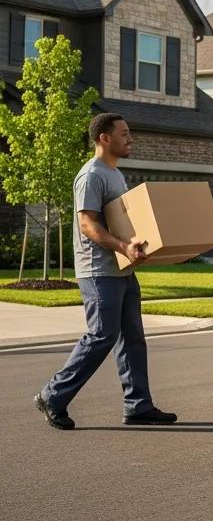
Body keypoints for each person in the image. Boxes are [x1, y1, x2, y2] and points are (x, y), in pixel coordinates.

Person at [34, 113, 177, 430]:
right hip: (98, 270)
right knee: (102, 335)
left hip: (121, 269)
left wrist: (139, 244)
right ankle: (52, 395)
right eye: (124, 133)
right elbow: (88, 225)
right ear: (104, 138)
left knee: (132, 338)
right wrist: (123, 247)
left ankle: (138, 405)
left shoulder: (115, 174)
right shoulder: (92, 175)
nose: (131, 138)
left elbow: (119, 221)